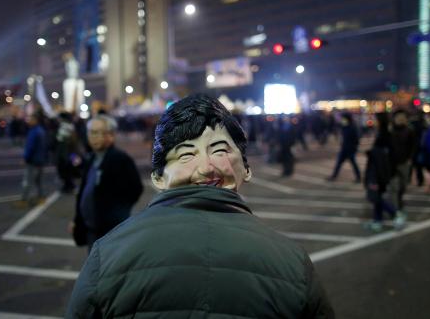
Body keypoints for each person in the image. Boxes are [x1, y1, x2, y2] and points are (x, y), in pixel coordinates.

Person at [65, 94, 334, 318]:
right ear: (158, 177)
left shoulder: (108, 253)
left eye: (219, 151)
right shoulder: (292, 262)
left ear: (247, 168)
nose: (206, 167)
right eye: (186, 155)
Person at [69, 114, 143, 249]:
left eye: (98, 133)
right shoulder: (91, 158)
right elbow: (85, 191)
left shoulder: (120, 159)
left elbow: (135, 190)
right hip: (92, 230)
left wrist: (116, 216)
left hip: (110, 231)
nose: (93, 137)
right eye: (91, 132)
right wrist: (77, 220)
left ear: (111, 135)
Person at [363, 113, 402, 231]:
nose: (373, 121)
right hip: (381, 171)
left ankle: (395, 213)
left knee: (376, 196)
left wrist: (371, 153)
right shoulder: (383, 133)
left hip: (379, 172)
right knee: (377, 195)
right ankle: (377, 221)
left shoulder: (384, 135)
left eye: (375, 119)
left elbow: (382, 155)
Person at [388, 109, 415, 224]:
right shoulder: (389, 131)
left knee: (403, 186)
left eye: (402, 117)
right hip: (391, 164)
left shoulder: (409, 131)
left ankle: (399, 203)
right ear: (394, 119)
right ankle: (395, 210)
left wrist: (410, 159)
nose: (400, 119)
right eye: (398, 117)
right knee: (393, 187)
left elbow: (414, 146)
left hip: (404, 163)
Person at [20, 114, 47, 206]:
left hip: (33, 160)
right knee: (39, 180)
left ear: (35, 120)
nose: (29, 121)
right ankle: (41, 197)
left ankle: (24, 200)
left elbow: (30, 147)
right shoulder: (41, 130)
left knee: (28, 180)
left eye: (31, 119)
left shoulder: (34, 131)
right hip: (40, 159)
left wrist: (25, 158)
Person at [327, 112, 361, 182]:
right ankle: (334, 176)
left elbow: (356, 139)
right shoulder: (345, 126)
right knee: (339, 163)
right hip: (344, 148)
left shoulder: (352, 127)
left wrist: (354, 148)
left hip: (350, 149)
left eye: (343, 118)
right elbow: (338, 123)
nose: (342, 120)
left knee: (353, 163)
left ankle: (358, 177)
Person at [55, 113, 82, 193]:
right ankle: (69, 185)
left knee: (66, 169)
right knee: (69, 169)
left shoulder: (65, 127)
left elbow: (61, 140)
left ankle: (69, 186)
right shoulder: (70, 126)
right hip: (70, 153)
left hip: (66, 153)